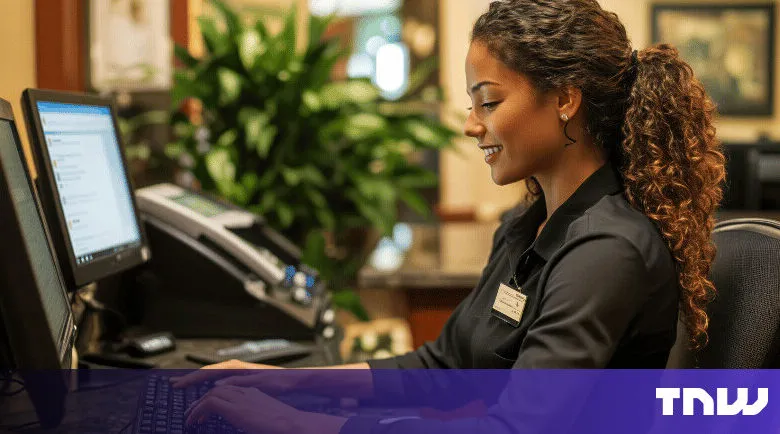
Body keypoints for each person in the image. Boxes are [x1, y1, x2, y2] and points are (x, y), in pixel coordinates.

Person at [173, 0, 725, 432]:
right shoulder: (529, 226)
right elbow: (443, 366)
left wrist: (299, 425)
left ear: (564, 99)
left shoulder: (606, 251)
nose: (470, 125)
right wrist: (284, 385)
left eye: (488, 102)